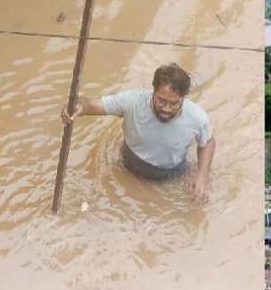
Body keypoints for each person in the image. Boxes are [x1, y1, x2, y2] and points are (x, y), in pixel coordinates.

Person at [61, 63, 215, 202]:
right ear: (153, 92)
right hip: (128, 164)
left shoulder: (196, 116)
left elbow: (207, 142)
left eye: (174, 103)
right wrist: (77, 106)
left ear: (183, 99)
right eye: (161, 100)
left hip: (172, 174)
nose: (166, 108)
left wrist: (202, 175)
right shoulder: (133, 101)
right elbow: (91, 105)